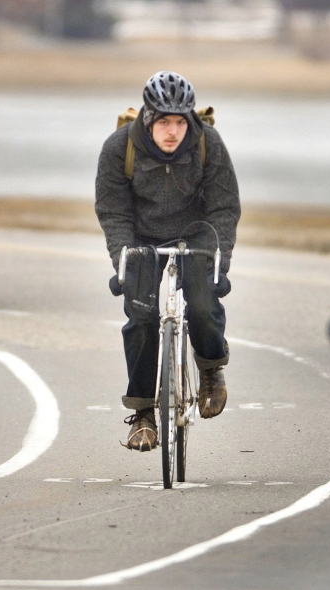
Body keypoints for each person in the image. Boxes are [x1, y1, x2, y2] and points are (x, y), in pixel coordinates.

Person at [95, 71, 241, 451]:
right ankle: (143, 414)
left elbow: (224, 207)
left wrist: (218, 266)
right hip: (142, 237)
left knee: (204, 304)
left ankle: (210, 369)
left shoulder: (208, 144)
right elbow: (113, 211)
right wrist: (121, 261)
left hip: (195, 232)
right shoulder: (118, 148)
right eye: (164, 122)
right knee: (141, 317)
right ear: (148, 118)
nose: (173, 131)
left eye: (179, 121)